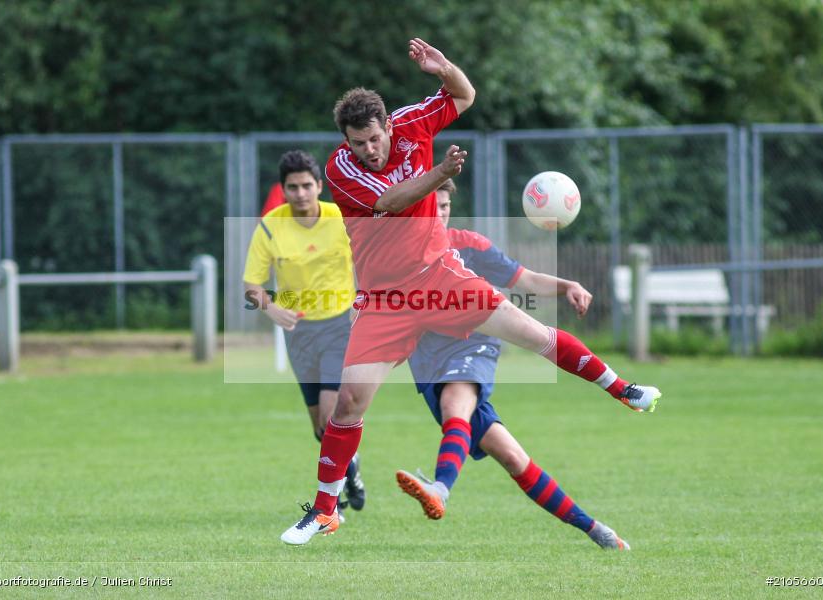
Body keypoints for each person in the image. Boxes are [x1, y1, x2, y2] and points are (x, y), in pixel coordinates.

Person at [280, 39, 660, 545]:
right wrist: (439, 173)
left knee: (530, 332)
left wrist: (445, 69)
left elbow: (462, 96)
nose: (368, 150)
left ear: (388, 124)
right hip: (386, 298)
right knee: (349, 402)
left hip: (439, 278)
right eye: (357, 143)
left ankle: (624, 390)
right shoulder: (340, 170)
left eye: (373, 139)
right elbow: (391, 202)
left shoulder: (415, 122)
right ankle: (326, 511)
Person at [397, 178, 630, 549]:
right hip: (427, 364)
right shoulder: (400, 253)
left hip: (472, 345)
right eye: (431, 208)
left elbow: (526, 279)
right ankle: (596, 530)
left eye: (444, 207)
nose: (439, 215)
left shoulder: (469, 245)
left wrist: (566, 284)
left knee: (455, 402)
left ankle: (440, 489)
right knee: (512, 457)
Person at [243, 150, 366, 516]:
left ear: (319, 186)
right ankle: (353, 469)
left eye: (306, 186)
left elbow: (368, 257)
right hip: (298, 331)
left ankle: (334, 504)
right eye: (292, 187)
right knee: (318, 426)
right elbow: (251, 283)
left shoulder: (339, 218)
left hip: (339, 325)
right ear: (283, 190)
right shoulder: (270, 225)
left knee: (332, 415)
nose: (300, 193)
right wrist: (272, 307)